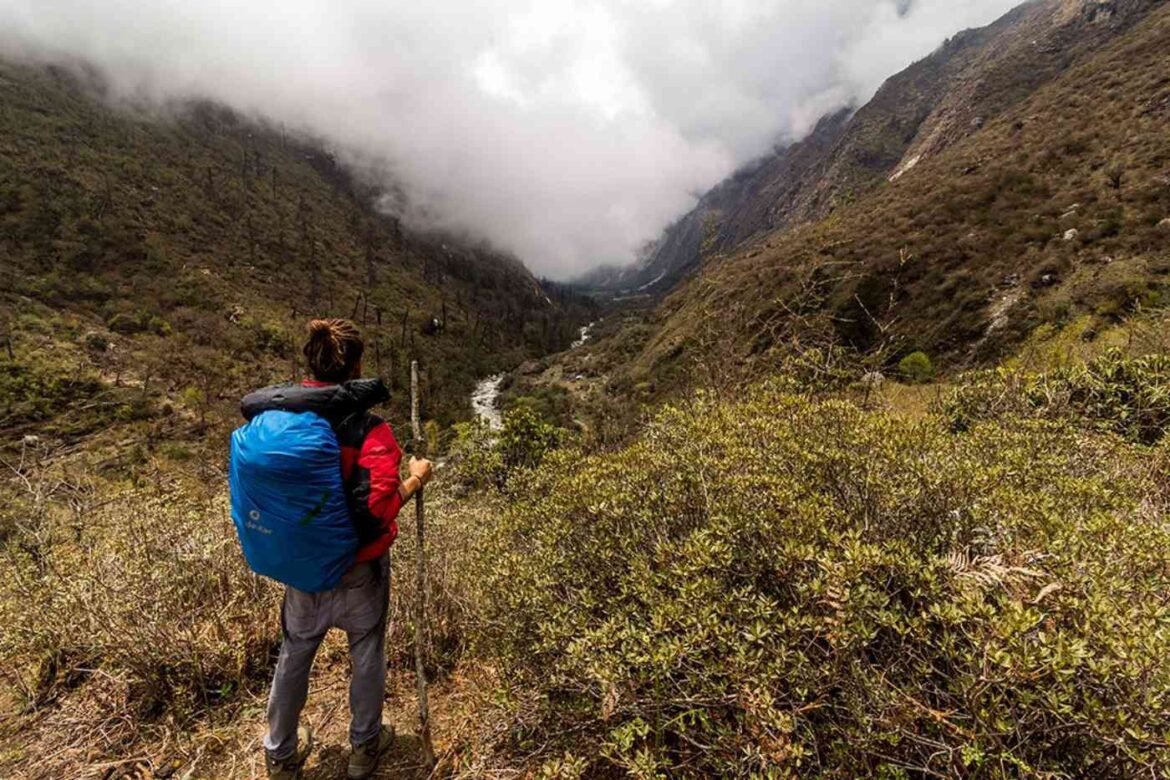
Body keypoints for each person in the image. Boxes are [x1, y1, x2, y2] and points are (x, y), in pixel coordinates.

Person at [241, 318, 434, 780]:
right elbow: (375, 510)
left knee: (294, 653)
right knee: (366, 651)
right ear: (357, 366)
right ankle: (364, 747)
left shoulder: (278, 422)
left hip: (303, 566)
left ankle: (280, 753)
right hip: (359, 570)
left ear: (310, 363)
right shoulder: (371, 430)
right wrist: (416, 478)